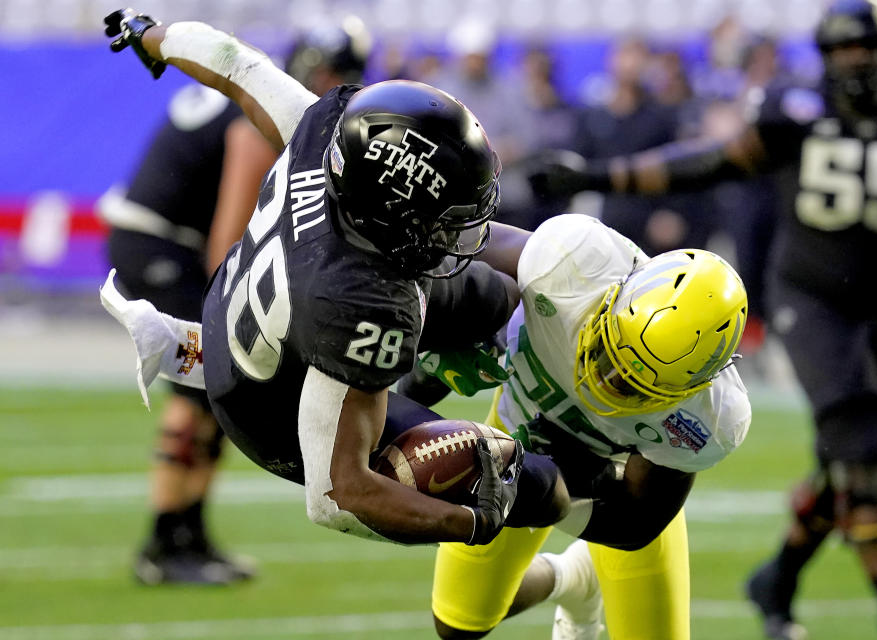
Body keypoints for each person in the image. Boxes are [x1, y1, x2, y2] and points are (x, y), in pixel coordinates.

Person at [530, 2, 877, 638]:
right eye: (844, 51)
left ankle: (777, 581)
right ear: (826, 56)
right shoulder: (795, 113)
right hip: (810, 300)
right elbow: (708, 160)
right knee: (861, 446)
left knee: (845, 460)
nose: (857, 62)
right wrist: (598, 175)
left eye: (867, 49)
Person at [101, 8, 568, 548]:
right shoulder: (361, 301)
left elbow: (236, 64)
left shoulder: (325, 131)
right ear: (396, 215)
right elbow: (337, 495)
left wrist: (151, 36)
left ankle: (440, 358)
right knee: (540, 486)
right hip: (273, 410)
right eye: (440, 217)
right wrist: (467, 523)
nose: (454, 231)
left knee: (500, 298)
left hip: (265, 305)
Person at [97, 19, 373, 585]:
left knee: (225, 383)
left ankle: (188, 536)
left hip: (164, 237)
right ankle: (164, 542)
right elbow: (227, 245)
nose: (334, 87)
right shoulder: (257, 121)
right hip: (159, 240)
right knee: (206, 377)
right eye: (332, 75)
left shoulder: (257, 89)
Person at [408, 214, 750, 640]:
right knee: (458, 622)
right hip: (510, 443)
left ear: (694, 387)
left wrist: (563, 488)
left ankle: (586, 569)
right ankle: (572, 579)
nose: (609, 381)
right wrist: (457, 323)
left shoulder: (707, 418)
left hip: (606, 488)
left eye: (634, 383)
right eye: (612, 354)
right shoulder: (570, 262)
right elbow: (444, 245)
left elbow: (635, 524)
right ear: (614, 296)